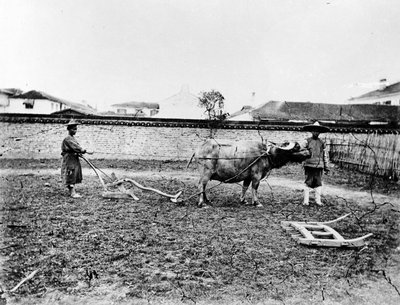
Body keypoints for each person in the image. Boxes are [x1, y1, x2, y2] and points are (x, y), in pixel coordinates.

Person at [301, 121, 330, 206]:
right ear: (311, 131)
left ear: (319, 132)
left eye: (317, 131)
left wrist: (326, 167)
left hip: (319, 166)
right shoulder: (307, 141)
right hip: (309, 165)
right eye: (314, 131)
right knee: (308, 182)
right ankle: (306, 201)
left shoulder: (322, 143)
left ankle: (318, 201)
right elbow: (302, 152)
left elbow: (325, 155)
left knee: (318, 183)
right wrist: (304, 160)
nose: (316, 132)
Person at [61, 119, 93, 198]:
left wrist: (79, 153)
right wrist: (85, 151)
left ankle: (72, 191)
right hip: (69, 159)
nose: (75, 130)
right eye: (73, 129)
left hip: (73, 158)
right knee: (70, 173)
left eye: (76, 129)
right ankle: (72, 193)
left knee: (74, 173)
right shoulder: (68, 139)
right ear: (68, 129)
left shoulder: (72, 138)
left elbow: (75, 149)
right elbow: (76, 147)